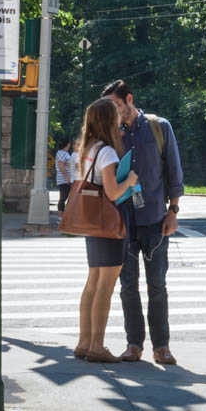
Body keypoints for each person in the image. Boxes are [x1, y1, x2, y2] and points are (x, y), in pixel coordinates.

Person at [103, 79, 184, 365]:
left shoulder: (159, 127)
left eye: (116, 105)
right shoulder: (110, 134)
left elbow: (174, 170)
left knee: (157, 285)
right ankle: (133, 344)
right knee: (128, 285)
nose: (114, 112)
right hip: (123, 220)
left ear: (129, 99)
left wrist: (173, 210)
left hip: (154, 218)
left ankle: (161, 347)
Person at [73, 98, 139, 363]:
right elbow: (112, 192)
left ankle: (84, 342)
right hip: (108, 223)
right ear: (108, 121)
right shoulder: (108, 152)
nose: (119, 119)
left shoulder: (88, 148)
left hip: (92, 222)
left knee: (92, 282)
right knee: (105, 286)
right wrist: (130, 180)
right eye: (115, 116)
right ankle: (97, 346)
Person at [53, 137, 77, 213]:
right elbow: (61, 166)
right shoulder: (62, 153)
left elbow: (66, 164)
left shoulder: (64, 153)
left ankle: (64, 213)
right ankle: (61, 214)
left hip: (66, 179)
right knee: (63, 197)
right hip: (64, 180)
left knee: (67, 197)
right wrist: (67, 178)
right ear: (68, 144)